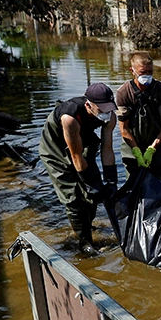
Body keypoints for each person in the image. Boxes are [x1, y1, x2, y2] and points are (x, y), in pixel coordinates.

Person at [38, 83, 118, 254]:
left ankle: (86, 224)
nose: (107, 113)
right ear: (88, 105)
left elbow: (107, 149)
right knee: (73, 197)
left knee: (93, 196)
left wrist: (111, 181)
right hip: (56, 150)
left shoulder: (110, 117)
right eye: (102, 109)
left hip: (84, 143)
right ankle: (84, 242)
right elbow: (75, 157)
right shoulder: (70, 117)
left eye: (109, 108)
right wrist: (89, 183)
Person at [116, 52, 161, 183]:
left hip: (158, 145)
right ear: (132, 71)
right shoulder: (123, 92)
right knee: (134, 185)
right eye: (143, 72)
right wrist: (136, 151)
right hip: (132, 145)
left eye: (150, 72)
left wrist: (152, 148)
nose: (147, 76)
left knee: (159, 185)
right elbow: (123, 129)